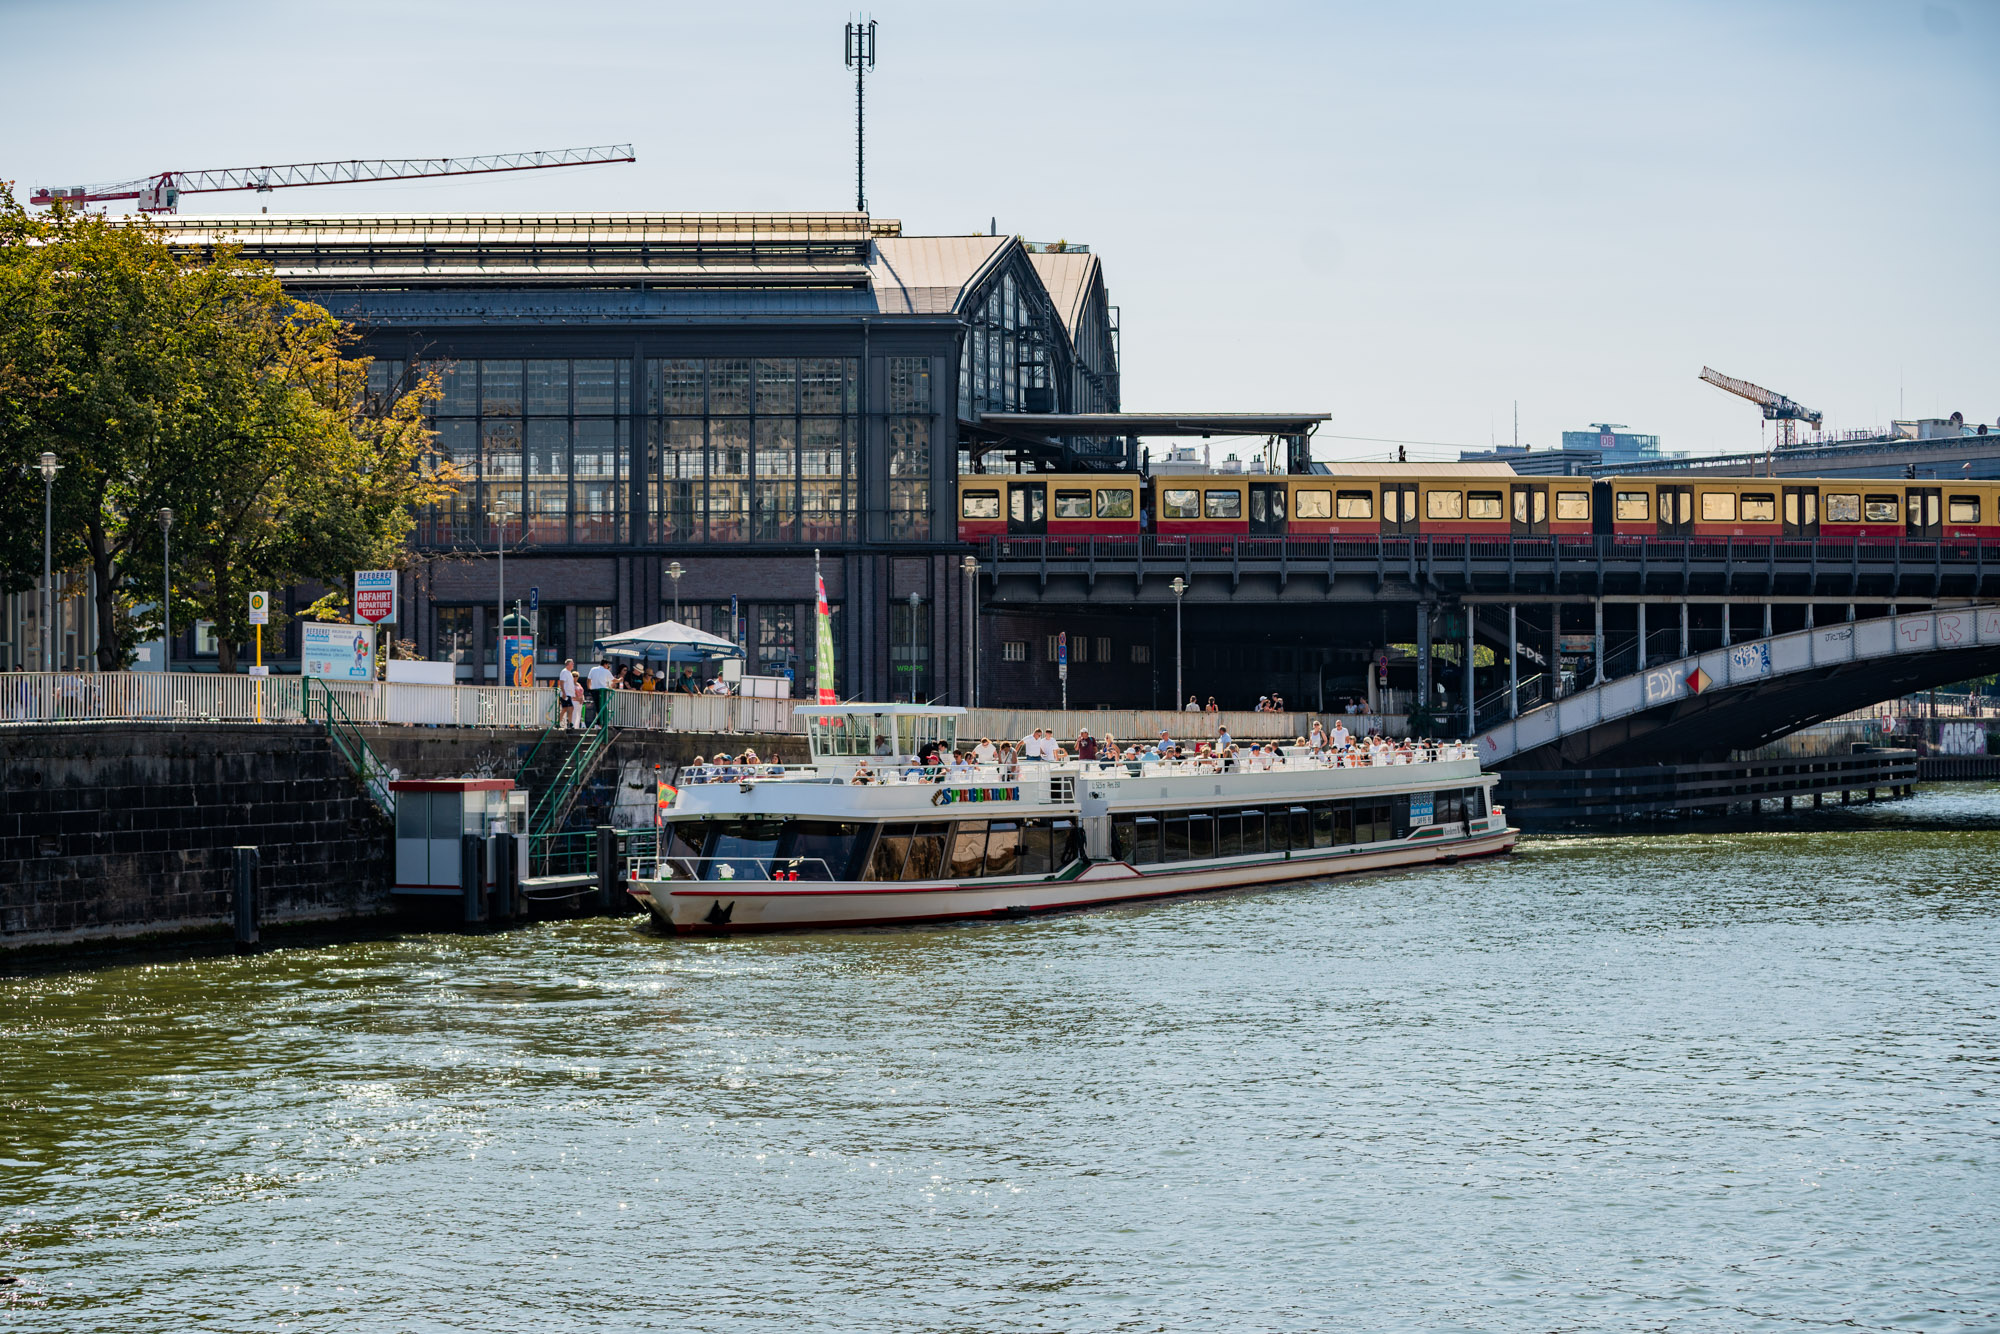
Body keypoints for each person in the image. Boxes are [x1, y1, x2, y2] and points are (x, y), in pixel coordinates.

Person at [586, 658, 614, 724]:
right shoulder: (606, 671)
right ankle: (600, 722)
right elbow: (613, 680)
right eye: (607, 665)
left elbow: (589, 680)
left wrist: (589, 688)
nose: (608, 667)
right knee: (602, 706)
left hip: (594, 690)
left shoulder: (593, 669)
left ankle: (599, 722)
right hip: (602, 691)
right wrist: (619, 680)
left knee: (597, 706)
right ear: (605, 664)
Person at [556, 658, 579, 729]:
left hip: (569, 694)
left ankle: (560, 722)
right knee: (570, 708)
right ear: (568, 664)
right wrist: (563, 692)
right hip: (566, 694)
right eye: (572, 664)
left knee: (565, 709)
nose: (573, 665)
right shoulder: (564, 672)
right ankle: (569, 723)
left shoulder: (569, 673)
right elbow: (562, 682)